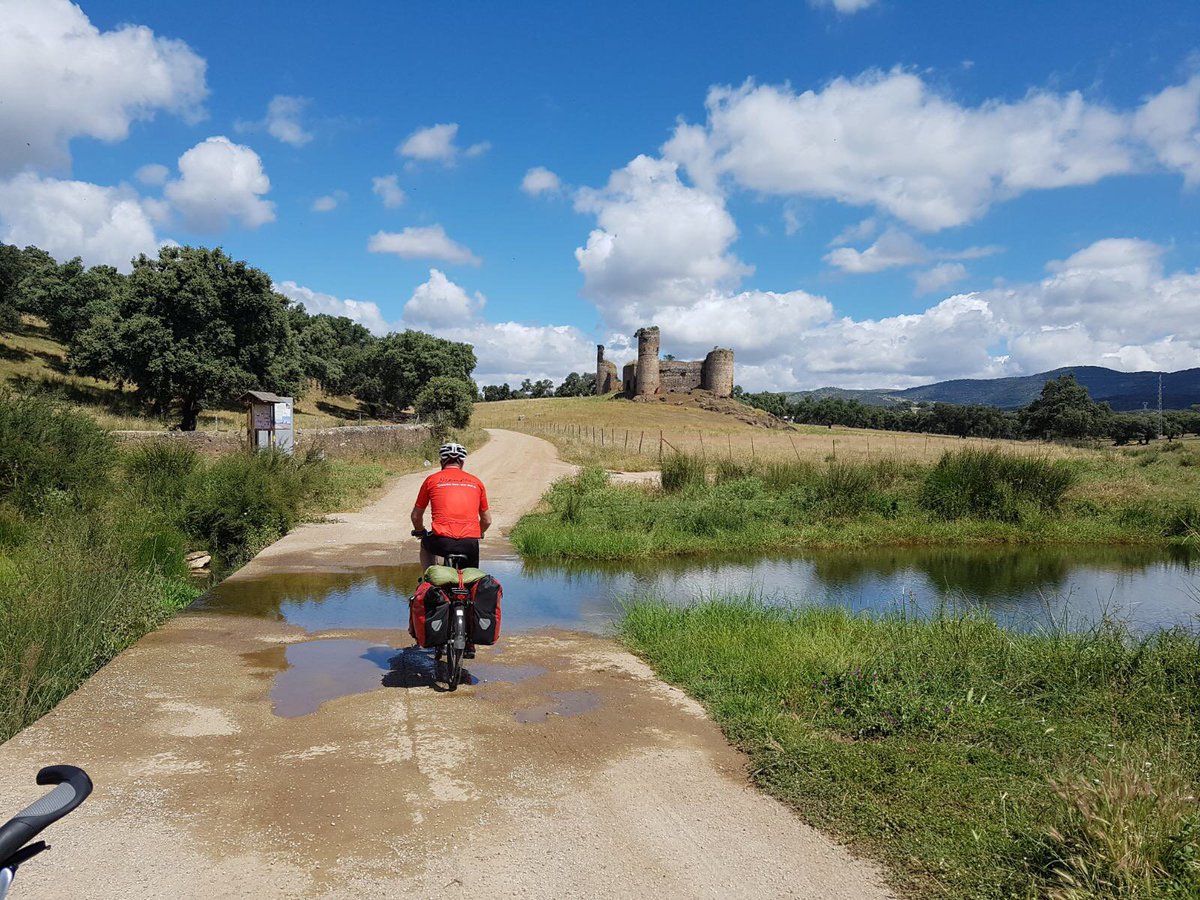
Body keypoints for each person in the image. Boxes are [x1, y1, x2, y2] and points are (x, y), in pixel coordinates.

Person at [410, 442, 491, 571]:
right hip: (469, 544)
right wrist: (479, 532)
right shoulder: (476, 482)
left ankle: (429, 579)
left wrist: (420, 531)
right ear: (462, 463)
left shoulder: (431, 480)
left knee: (425, 544)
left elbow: (415, 516)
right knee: (471, 582)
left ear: (441, 462)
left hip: (442, 542)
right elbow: (487, 520)